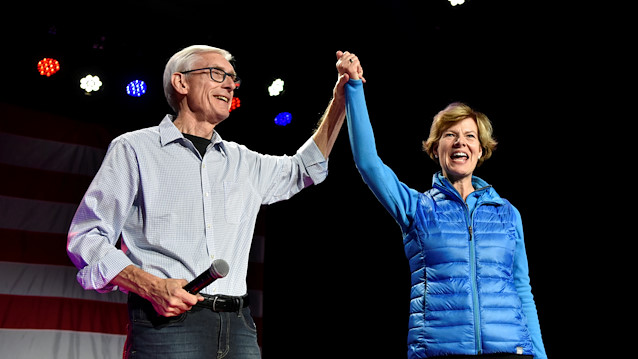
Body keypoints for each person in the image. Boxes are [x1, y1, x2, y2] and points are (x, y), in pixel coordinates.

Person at [67, 45, 356, 358]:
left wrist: (340, 99)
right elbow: (87, 238)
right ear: (182, 83)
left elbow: (305, 168)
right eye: (217, 74)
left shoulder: (244, 161)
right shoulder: (134, 149)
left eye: (232, 78)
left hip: (239, 326)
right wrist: (150, 286)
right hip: (167, 326)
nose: (230, 85)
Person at [338, 55, 547, 358]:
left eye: (470, 136)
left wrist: (539, 355)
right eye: (450, 135)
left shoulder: (507, 213)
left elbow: (522, 290)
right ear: (436, 149)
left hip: (511, 350)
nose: (460, 142)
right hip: (438, 352)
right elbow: (368, 163)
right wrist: (354, 88)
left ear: (481, 149)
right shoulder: (417, 208)